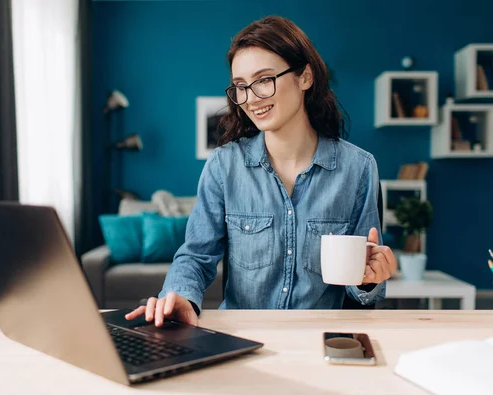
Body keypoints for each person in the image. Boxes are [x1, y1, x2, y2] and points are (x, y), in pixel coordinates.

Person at [126, 15, 397, 327]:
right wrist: (180, 296)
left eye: (264, 80)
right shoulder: (223, 166)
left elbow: (362, 284)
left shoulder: (359, 168)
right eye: (241, 86)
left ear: (305, 76)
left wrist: (369, 279)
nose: (251, 99)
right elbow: (196, 256)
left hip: (319, 340)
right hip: (243, 340)